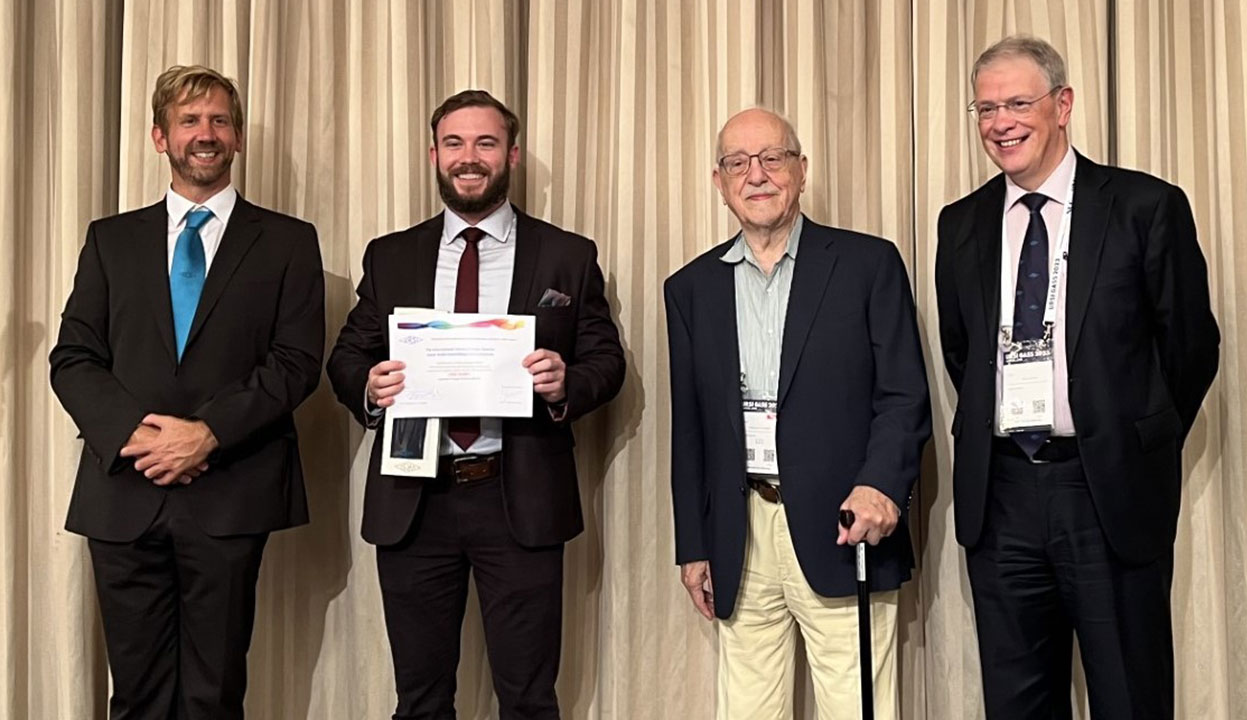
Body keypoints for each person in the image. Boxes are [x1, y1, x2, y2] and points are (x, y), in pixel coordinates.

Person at [935, 35, 1220, 719]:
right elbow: (962, 354)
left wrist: (1131, 437)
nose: (1000, 122)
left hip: (1107, 492)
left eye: (1017, 103)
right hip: (1001, 495)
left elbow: (1190, 349)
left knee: (1129, 695)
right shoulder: (961, 224)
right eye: (985, 108)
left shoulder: (1146, 207)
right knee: (1018, 703)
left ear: (1062, 105)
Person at [327, 89, 625, 720]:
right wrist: (368, 387)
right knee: (421, 698)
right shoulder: (391, 254)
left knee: (528, 698)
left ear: (511, 154)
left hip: (519, 497)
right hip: (415, 499)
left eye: (486, 143)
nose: (470, 157)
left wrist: (565, 380)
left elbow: (608, 362)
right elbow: (347, 357)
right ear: (434, 154)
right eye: (455, 143)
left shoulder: (567, 255)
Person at [49, 65, 324, 719]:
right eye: (190, 121)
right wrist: (137, 436)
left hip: (230, 491)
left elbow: (296, 361)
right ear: (159, 137)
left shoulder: (289, 241)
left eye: (220, 121)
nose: (206, 133)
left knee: (213, 694)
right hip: (123, 493)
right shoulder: (109, 240)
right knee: (136, 697)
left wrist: (207, 433)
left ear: (238, 139)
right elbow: (74, 357)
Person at [664, 107, 930, 719]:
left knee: (854, 706)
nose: (756, 174)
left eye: (772, 158)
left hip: (845, 527)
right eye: (738, 162)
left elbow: (903, 395)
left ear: (801, 170)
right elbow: (691, 430)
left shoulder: (868, 265)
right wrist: (694, 543)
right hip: (741, 530)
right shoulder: (690, 288)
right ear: (720, 180)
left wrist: (882, 486)